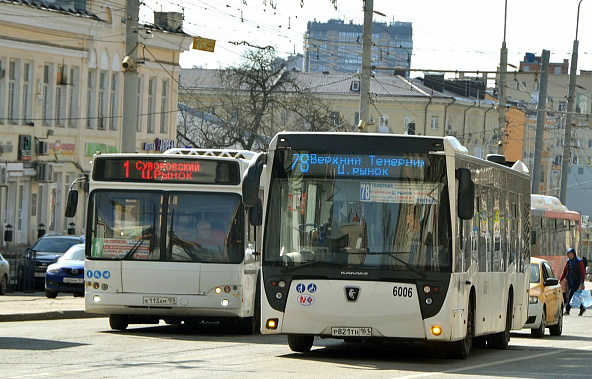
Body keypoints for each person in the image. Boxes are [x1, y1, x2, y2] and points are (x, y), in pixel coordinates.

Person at [560, 247, 587, 316]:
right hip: (570, 281)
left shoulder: (579, 261)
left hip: (577, 281)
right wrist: (560, 280)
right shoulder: (568, 262)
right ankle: (582, 308)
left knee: (571, 294)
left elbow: (582, 272)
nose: (571, 256)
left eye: (572, 254)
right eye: (569, 254)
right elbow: (565, 271)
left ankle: (567, 310)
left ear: (574, 254)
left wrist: (582, 282)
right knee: (576, 296)